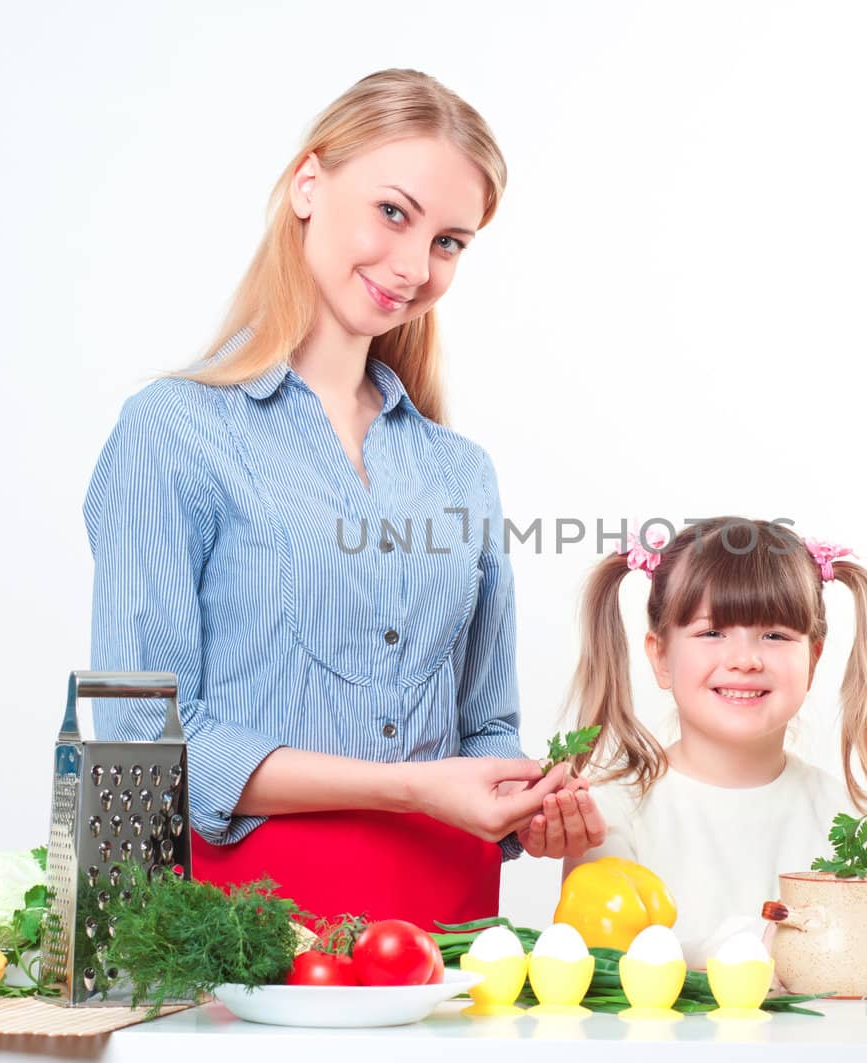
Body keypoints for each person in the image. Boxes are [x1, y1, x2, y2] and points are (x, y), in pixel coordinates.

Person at [83, 69, 604, 929]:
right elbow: (138, 738)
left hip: (448, 928)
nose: (414, 266)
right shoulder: (173, 430)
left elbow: (486, 727)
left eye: (449, 242)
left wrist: (529, 805)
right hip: (249, 926)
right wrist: (407, 786)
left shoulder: (459, 469)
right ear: (307, 184)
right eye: (394, 213)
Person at [560, 517, 867, 967]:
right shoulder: (609, 815)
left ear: (814, 657)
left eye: (775, 635)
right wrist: (751, 947)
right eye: (712, 633)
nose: (745, 659)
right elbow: (605, 966)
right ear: (661, 656)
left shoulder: (858, 820)